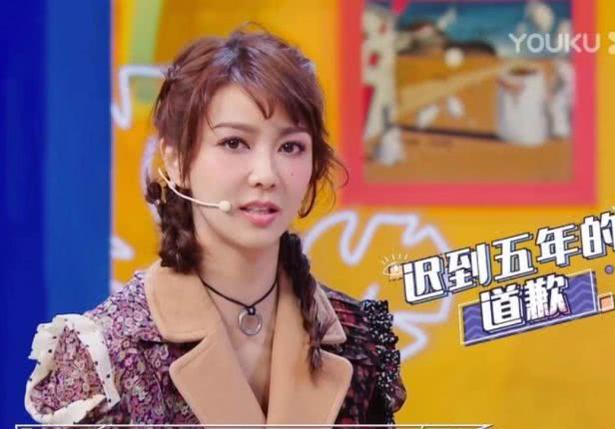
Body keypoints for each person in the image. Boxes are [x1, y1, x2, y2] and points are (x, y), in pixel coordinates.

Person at [24, 28, 406, 425]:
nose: (266, 174)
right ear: (176, 161)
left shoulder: (358, 336)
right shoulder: (108, 350)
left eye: (290, 147)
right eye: (234, 143)